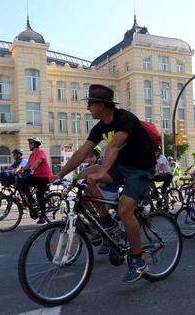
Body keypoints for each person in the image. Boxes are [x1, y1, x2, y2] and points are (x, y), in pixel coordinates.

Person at [50, 84, 155, 283]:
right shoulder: (100, 127)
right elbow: (82, 153)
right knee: (84, 176)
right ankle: (108, 222)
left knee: (125, 210)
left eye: (90, 103)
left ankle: (138, 259)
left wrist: (102, 172)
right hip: (121, 167)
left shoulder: (125, 118)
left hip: (140, 169)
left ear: (102, 105)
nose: (87, 107)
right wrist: (60, 174)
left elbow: (114, 146)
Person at [20, 137, 52, 224]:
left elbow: (38, 162)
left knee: (39, 195)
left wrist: (32, 168)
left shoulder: (40, 152)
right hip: (36, 176)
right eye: (29, 143)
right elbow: (27, 165)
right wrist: (21, 170)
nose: (29, 145)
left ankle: (43, 216)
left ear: (36, 144)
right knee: (23, 183)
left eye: (31, 143)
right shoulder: (31, 155)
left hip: (44, 177)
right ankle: (31, 199)